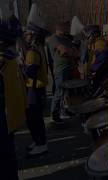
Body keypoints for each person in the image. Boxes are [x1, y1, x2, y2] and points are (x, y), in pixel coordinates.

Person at [0, 13, 27, 179]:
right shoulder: (10, 58)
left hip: (4, 116)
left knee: (6, 157)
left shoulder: (4, 60)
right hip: (8, 116)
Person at [23, 3, 49, 155]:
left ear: (33, 36)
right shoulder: (38, 49)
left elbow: (30, 73)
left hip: (33, 88)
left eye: (28, 33)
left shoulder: (32, 52)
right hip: (38, 88)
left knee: (34, 117)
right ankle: (38, 140)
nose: (26, 35)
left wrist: (21, 69)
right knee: (35, 117)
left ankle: (41, 143)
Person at [46, 21, 79, 123]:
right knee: (59, 92)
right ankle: (55, 114)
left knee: (67, 92)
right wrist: (70, 51)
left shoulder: (65, 39)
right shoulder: (53, 39)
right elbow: (64, 51)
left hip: (69, 67)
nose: (67, 29)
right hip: (60, 69)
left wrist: (69, 51)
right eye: (65, 27)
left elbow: (75, 52)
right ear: (59, 27)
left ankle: (66, 110)